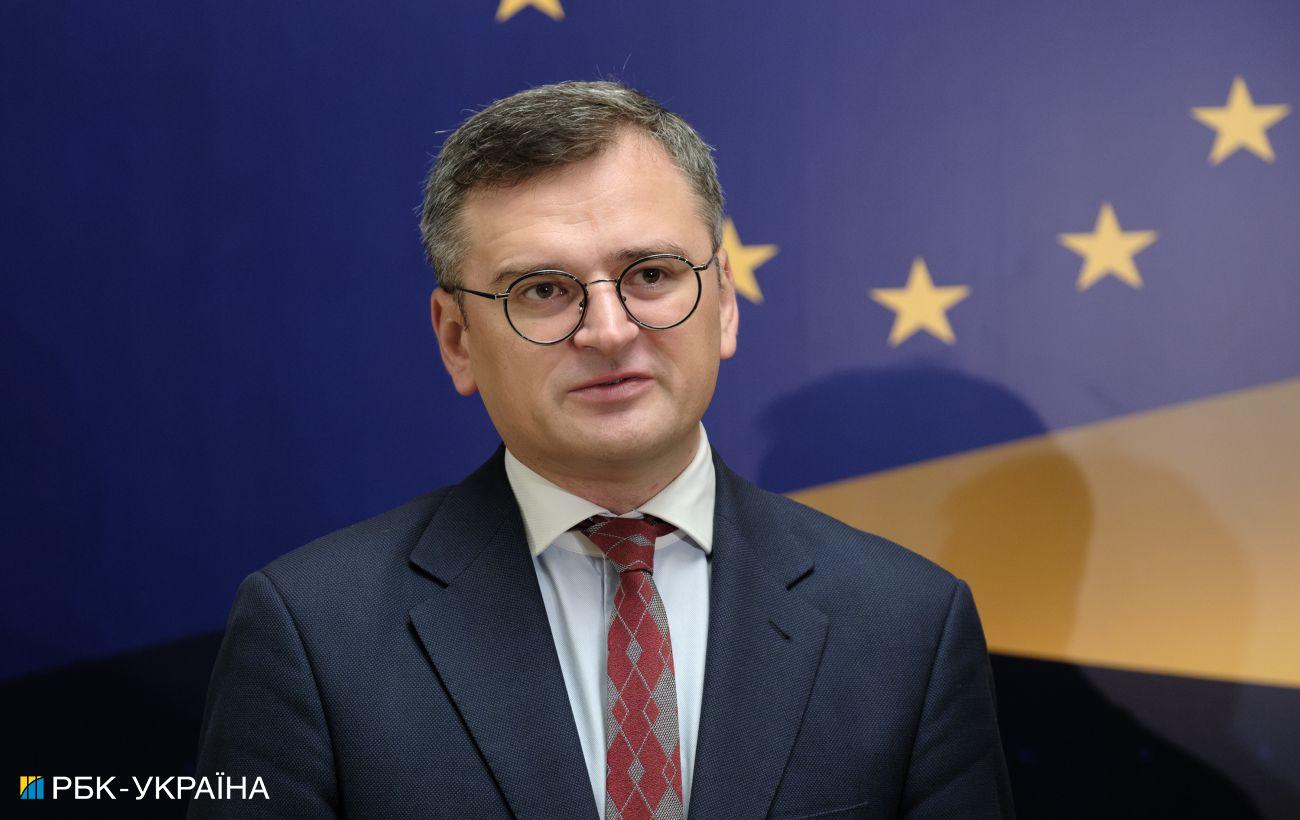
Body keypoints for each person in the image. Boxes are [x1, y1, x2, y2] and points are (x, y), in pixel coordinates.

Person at [191, 80, 1014, 819]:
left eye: (651, 274)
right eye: (543, 290)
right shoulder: (311, 632)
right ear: (456, 340)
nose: (609, 331)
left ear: (724, 302)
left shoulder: (907, 624)